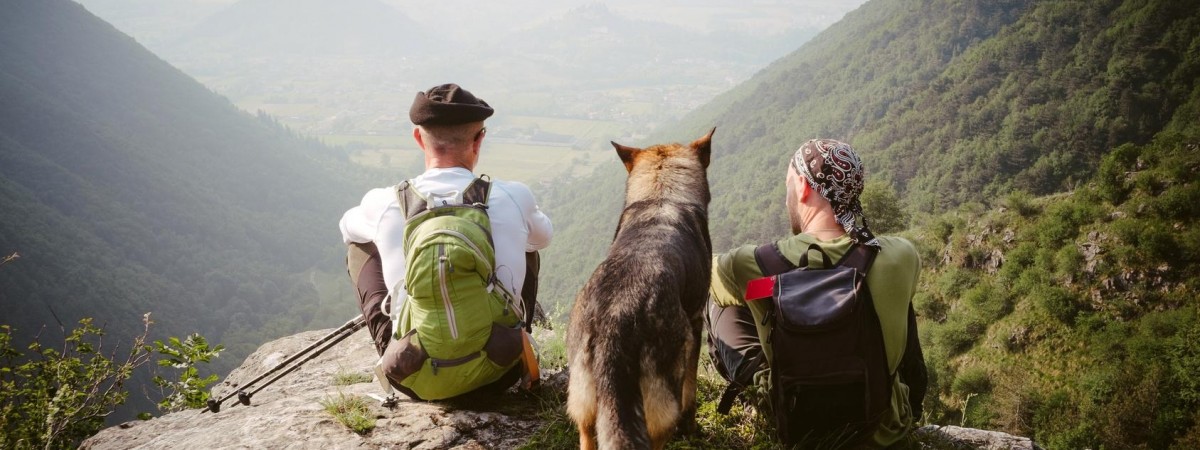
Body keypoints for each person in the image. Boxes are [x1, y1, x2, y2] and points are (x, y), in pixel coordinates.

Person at [706, 138, 927, 447]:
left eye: (787, 187)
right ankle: (910, 407)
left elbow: (702, 274)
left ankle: (758, 400)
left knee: (721, 304)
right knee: (893, 300)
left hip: (796, 428)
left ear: (802, 186)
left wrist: (769, 288)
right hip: (881, 434)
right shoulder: (901, 256)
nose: (786, 199)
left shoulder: (751, 265)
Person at [340, 83, 553, 399]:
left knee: (360, 246)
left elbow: (347, 228)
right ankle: (518, 336)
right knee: (528, 243)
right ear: (479, 140)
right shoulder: (513, 195)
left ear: (418, 138)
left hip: (412, 377)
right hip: (499, 372)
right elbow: (543, 238)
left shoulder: (386, 202)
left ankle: (393, 346)